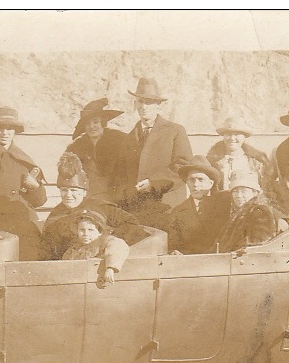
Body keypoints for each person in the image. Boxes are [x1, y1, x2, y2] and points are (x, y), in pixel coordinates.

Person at [40, 152, 146, 261]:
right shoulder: (55, 216)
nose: (68, 195)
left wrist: (102, 243)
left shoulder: (102, 207)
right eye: (64, 190)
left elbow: (131, 223)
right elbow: (47, 252)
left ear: (84, 192)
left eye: (74, 190)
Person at [116, 77, 193, 211]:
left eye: (149, 102)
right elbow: (122, 175)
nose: (143, 107)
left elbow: (183, 168)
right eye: (140, 101)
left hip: (168, 204)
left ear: (158, 105)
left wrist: (154, 183)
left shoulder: (175, 131)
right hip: (137, 207)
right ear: (135, 104)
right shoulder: (129, 138)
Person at [0, 107, 47, 261]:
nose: (5, 133)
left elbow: (39, 201)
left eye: (10, 129)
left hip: (21, 220)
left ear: (15, 131)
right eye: (0, 128)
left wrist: (35, 187)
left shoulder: (22, 159)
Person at [167, 155, 232, 254]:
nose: (195, 184)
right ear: (187, 183)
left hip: (221, 262)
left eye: (200, 179)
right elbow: (174, 245)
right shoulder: (177, 212)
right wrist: (174, 251)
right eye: (191, 180)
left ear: (210, 183)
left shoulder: (225, 205)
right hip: (192, 264)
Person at [66, 98, 127, 200]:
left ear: (103, 123)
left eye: (95, 122)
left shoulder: (120, 142)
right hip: (86, 196)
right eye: (87, 124)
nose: (91, 126)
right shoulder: (76, 148)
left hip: (115, 196)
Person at [216, 171, 282, 253]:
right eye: (235, 191)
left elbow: (255, 246)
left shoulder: (260, 212)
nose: (239, 196)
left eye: (244, 191)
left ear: (255, 192)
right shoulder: (240, 212)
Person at [62, 210, 130, 286]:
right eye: (82, 230)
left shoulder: (106, 242)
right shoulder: (74, 249)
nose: (86, 234)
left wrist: (110, 268)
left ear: (100, 232)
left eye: (90, 230)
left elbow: (118, 247)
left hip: (96, 283)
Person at [205, 116, 269, 191]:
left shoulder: (256, 162)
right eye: (228, 134)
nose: (232, 138)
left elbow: (264, 186)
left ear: (244, 137)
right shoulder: (213, 161)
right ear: (224, 136)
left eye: (237, 134)